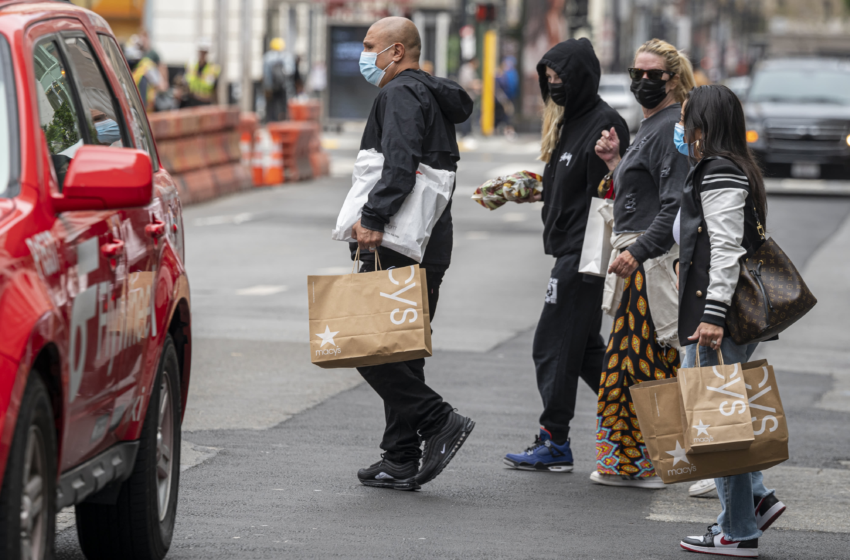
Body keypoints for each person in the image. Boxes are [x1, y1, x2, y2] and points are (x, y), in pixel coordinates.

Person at [350, 16, 475, 491]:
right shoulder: (435, 96)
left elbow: (399, 165)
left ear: (396, 51)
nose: (364, 55)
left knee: (364, 343)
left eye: (369, 46)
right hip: (431, 241)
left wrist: (374, 218)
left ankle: (439, 420)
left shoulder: (399, 93)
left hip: (398, 242)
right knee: (402, 349)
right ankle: (401, 455)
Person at [502, 39, 629, 473]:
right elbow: (574, 186)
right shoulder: (568, 122)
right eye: (549, 81)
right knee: (586, 349)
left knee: (552, 345)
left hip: (584, 254)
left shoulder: (604, 124)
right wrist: (533, 189)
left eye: (560, 80)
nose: (554, 87)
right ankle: (642, 416)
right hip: (570, 247)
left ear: (580, 80)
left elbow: (612, 196)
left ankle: (554, 439)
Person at [676, 85, 786, 558]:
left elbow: (725, 248)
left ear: (704, 124)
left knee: (717, 424)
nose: (682, 129)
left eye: (686, 120)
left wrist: (713, 315)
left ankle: (739, 530)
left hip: (716, 316)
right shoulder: (737, 167)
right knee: (724, 416)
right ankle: (753, 503)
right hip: (723, 314)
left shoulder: (719, 170)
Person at [592, 38, 694, 488]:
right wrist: (616, 162)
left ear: (675, 79)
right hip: (640, 261)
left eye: (655, 75)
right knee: (635, 360)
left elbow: (674, 206)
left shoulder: (672, 128)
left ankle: (641, 463)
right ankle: (639, 461)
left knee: (639, 362)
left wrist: (638, 251)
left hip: (649, 266)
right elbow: (642, 196)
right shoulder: (651, 124)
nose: (644, 82)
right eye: (638, 73)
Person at [262, 38, 295, 122]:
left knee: (272, 105)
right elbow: (291, 71)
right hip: (285, 86)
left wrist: (267, 87)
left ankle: (272, 121)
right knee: (284, 104)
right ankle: (284, 120)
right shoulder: (287, 56)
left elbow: (266, 74)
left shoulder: (267, 57)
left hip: (272, 87)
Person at [184, 39, 220, 106]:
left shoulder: (213, 68)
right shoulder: (191, 66)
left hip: (205, 102)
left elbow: (214, 89)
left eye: (204, 52)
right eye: (201, 52)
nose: (202, 55)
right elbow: (186, 82)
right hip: (191, 101)